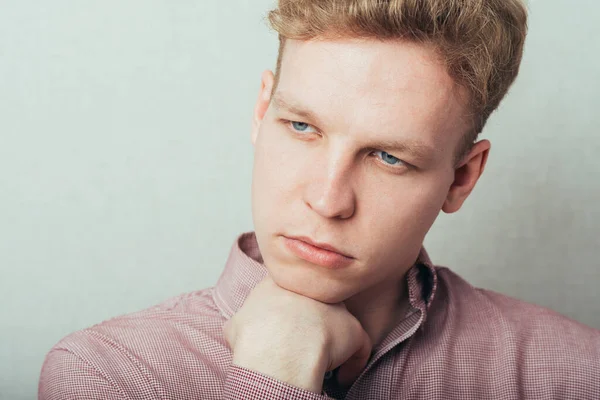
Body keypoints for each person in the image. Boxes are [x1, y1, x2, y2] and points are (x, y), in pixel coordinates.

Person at [38, 0, 600, 399]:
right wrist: (274, 378)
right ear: (263, 112)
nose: (328, 202)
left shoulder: (576, 377)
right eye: (303, 127)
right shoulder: (109, 377)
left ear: (461, 178)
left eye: (389, 157)